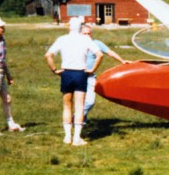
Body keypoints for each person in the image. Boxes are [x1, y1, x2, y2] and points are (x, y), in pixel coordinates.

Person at [45, 17, 103, 146]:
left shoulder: (62, 39)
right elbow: (100, 54)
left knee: (67, 106)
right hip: (81, 73)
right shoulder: (86, 39)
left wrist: (54, 70)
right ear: (80, 28)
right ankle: (77, 138)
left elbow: (48, 55)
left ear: (68, 26)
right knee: (79, 107)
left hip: (66, 73)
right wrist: (92, 69)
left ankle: (67, 137)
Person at [80, 23, 127, 123]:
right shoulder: (76, 45)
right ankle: (82, 121)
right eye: (85, 34)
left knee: (90, 101)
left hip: (90, 77)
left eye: (89, 34)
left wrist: (122, 61)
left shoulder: (96, 43)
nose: (87, 36)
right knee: (81, 101)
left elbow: (109, 52)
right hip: (77, 76)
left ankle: (75, 118)